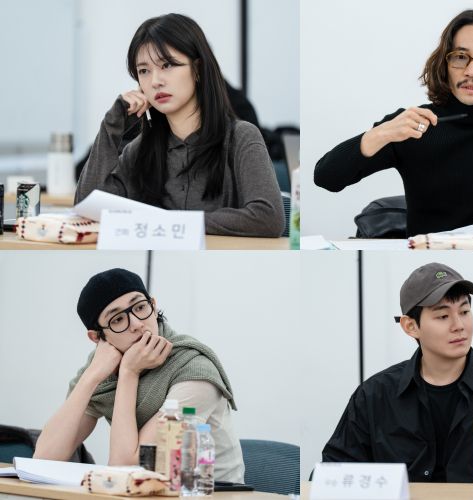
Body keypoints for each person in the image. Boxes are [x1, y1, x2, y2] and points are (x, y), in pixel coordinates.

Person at [314, 9, 473, 245]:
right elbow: (326, 177)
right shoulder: (414, 124)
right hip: (426, 252)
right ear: (445, 64)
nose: (471, 71)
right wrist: (382, 132)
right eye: (460, 57)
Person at [321, 262, 473, 483]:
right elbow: (333, 474)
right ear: (411, 326)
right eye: (443, 316)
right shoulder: (375, 395)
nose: (459, 325)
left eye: (464, 312)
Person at [75, 13, 285, 238]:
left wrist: (174, 222)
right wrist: (111, 127)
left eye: (167, 65)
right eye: (144, 71)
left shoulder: (241, 137)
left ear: (197, 69)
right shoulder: (140, 149)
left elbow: (268, 217)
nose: (155, 81)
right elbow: (86, 207)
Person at [34, 268, 245, 483]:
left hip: (208, 492)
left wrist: (129, 372)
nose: (136, 324)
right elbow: (43, 460)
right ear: (97, 337)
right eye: (118, 319)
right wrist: (90, 377)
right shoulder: (103, 368)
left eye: (140, 307)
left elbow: (126, 467)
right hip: (147, 492)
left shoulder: (193, 369)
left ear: (153, 305)